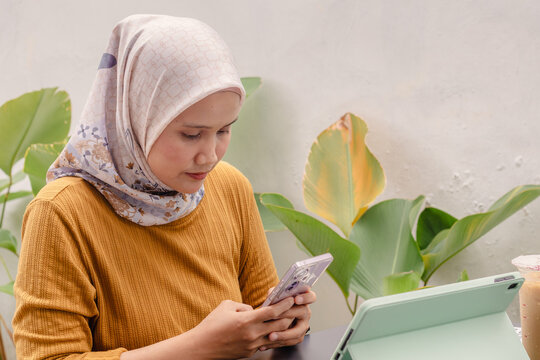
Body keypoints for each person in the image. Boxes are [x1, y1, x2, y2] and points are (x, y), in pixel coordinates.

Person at [12, 14, 315, 359]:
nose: (209, 155)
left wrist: (285, 323)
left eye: (224, 131)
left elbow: (258, 312)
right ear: (136, 120)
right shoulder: (62, 213)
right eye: (191, 134)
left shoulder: (230, 187)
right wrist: (199, 348)